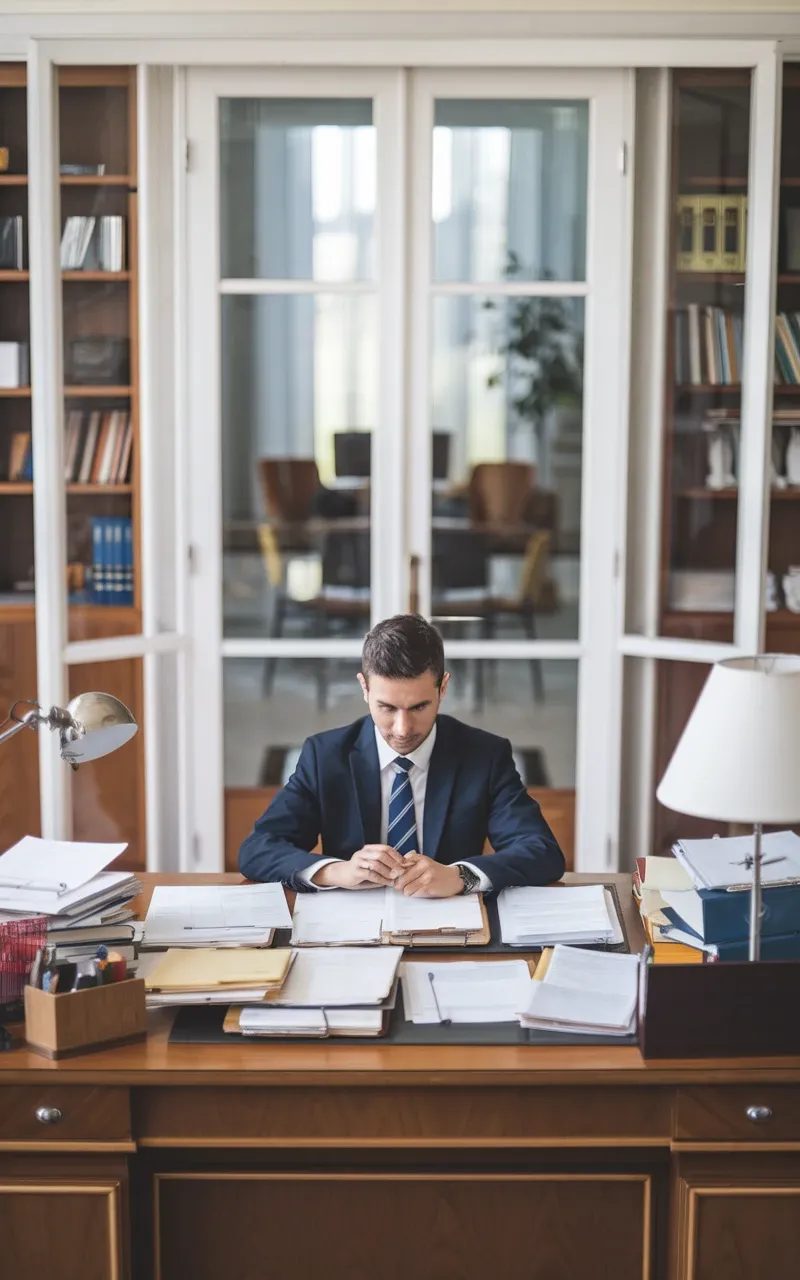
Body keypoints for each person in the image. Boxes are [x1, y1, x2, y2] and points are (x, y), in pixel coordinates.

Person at [239, 614, 565, 896]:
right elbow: (258, 849)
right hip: (352, 932)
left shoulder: (485, 755)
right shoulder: (325, 756)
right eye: (387, 707)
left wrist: (460, 876)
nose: (402, 728)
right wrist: (336, 871)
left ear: (443, 688)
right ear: (364, 688)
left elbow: (541, 852)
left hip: (451, 930)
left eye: (419, 707)